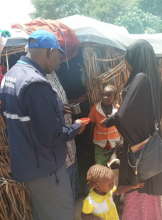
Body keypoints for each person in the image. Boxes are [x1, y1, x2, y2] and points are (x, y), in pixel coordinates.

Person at [0, 29, 85, 220]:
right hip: (46, 168)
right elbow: (52, 136)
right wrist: (77, 127)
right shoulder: (36, 83)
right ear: (49, 52)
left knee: (44, 213)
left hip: (29, 163)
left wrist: (53, 110)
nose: (58, 62)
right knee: (61, 214)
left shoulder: (11, 76)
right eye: (57, 56)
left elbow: (24, 118)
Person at [100, 39, 162, 220]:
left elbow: (124, 115)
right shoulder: (153, 78)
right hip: (151, 144)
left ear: (134, 58)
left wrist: (108, 122)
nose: (126, 63)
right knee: (148, 187)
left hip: (138, 147)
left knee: (138, 186)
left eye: (126, 59)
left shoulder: (140, 78)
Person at [46, 71, 79, 203]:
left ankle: (73, 197)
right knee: (64, 163)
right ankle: (67, 201)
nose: (60, 63)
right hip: (59, 134)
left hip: (67, 128)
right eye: (58, 57)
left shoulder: (54, 74)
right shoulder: (40, 82)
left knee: (71, 158)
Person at [89, 85, 120, 166]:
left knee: (113, 167)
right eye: (103, 94)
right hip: (100, 145)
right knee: (100, 167)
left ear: (115, 97)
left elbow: (121, 126)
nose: (105, 97)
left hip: (114, 145)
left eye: (109, 95)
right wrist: (91, 139)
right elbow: (92, 125)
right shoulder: (96, 108)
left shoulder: (118, 109)